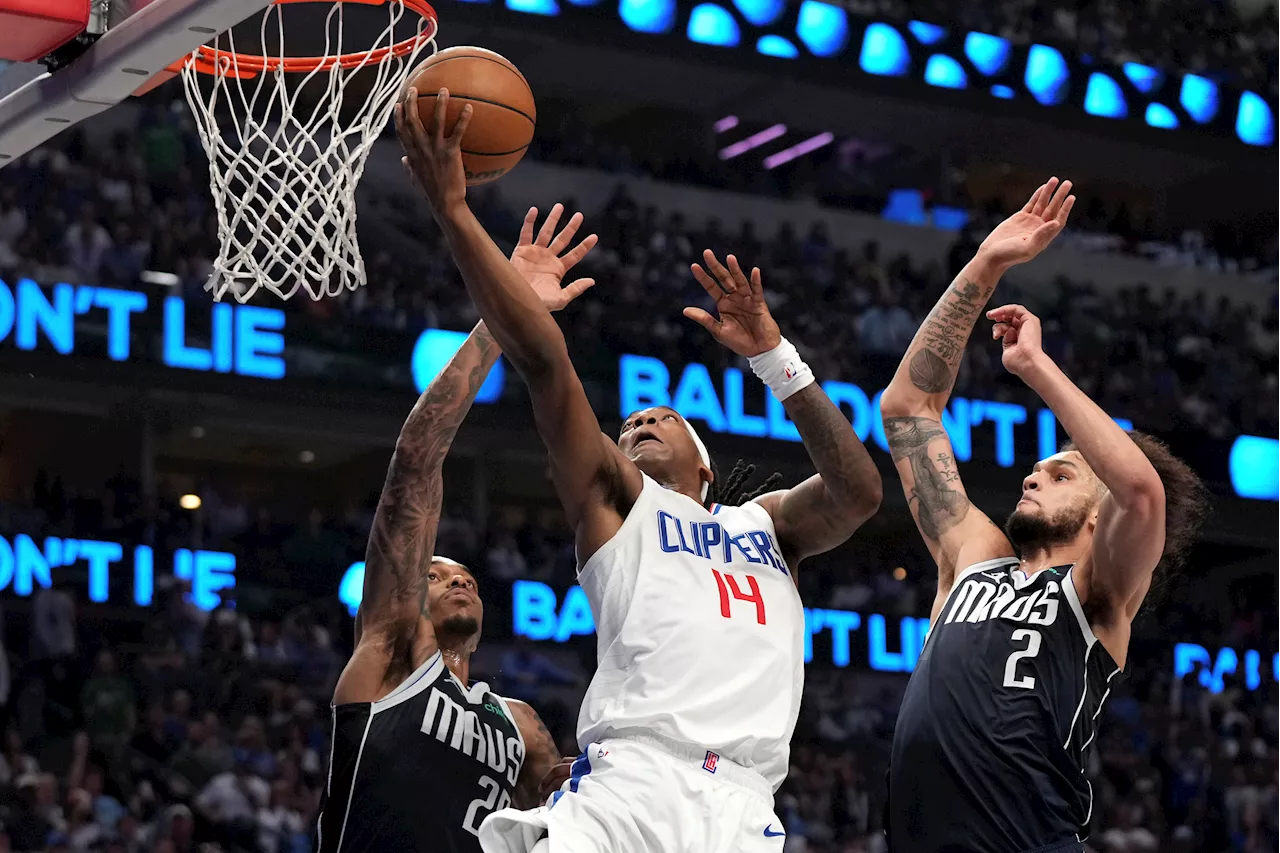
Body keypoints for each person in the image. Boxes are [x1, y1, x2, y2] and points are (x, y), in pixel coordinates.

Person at [395, 88, 882, 853]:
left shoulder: (771, 526)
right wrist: (458, 215)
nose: (640, 422)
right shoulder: (617, 504)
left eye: (661, 419)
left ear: (708, 465)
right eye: (628, 426)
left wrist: (775, 362)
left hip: (741, 805)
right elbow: (546, 364)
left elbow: (860, 492)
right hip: (629, 785)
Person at [879, 178, 1208, 853]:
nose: (1034, 473)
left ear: (1097, 518)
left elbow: (1143, 491)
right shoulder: (974, 557)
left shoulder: (1098, 595)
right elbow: (908, 410)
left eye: (1062, 474)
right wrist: (987, 264)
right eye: (1040, 467)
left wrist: (1033, 366)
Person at [315, 212, 600, 853]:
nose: (459, 577)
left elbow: (571, 816)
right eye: (436, 573)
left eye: (464, 575)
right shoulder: (391, 654)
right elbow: (417, 457)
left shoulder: (521, 725)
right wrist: (506, 315)